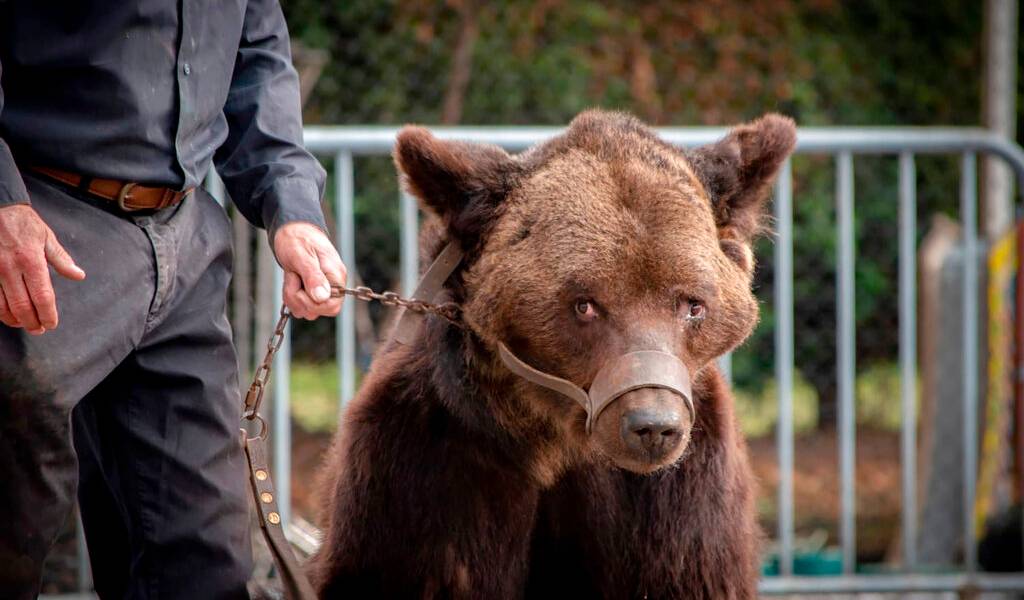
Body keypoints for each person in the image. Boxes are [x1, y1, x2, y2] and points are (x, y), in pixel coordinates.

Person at [0, 1, 346, 598]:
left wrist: (291, 208)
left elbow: (256, 58)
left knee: (203, 562)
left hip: (186, 247)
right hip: (39, 227)